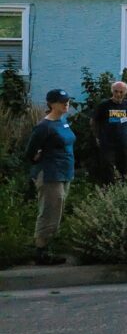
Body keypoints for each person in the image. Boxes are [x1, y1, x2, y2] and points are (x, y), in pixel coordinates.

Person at [24, 89, 76, 265]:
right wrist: (36, 157)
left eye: (67, 101)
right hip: (50, 174)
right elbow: (30, 153)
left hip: (64, 172)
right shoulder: (43, 127)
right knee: (49, 212)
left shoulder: (63, 121)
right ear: (52, 104)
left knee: (57, 211)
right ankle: (41, 251)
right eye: (62, 101)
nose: (66, 104)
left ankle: (49, 246)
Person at [91, 80, 127, 183]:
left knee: (123, 168)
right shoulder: (104, 105)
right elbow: (93, 121)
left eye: (121, 92)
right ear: (112, 91)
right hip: (108, 143)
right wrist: (97, 137)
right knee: (108, 169)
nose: (118, 94)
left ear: (125, 93)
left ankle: (121, 190)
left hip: (123, 142)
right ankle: (108, 191)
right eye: (116, 91)